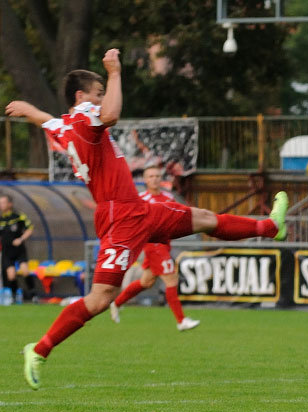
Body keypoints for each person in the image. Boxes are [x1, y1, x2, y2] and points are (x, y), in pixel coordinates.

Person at [6, 48, 289, 390]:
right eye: (97, 93)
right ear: (81, 97)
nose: (102, 99)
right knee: (99, 299)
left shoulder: (65, 125)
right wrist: (114, 72)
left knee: (203, 218)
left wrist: (26, 109)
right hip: (121, 215)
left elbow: (45, 119)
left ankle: (270, 226)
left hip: (134, 209)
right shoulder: (84, 117)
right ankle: (38, 350)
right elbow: (110, 114)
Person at [109, 164, 199, 331]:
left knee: (146, 281)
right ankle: (181, 321)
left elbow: (177, 218)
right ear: (145, 180)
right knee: (171, 279)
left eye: (157, 176)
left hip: (164, 244)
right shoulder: (141, 199)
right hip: (153, 245)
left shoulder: (168, 197)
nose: (154, 179)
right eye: (150, 176)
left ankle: (117, 303)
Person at [0, 194, 34, 301]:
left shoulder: (18, 216)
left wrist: (21, 239)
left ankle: (33, 295)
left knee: (25, 271)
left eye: (3, 203)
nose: (1, 205)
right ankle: (14, 296)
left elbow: (30, 228)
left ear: (10, 204)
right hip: (6, 251)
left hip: (19, 250)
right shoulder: (1, 219)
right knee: (11, 276)